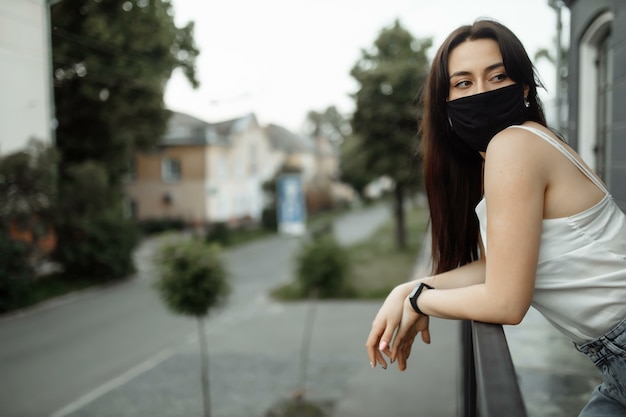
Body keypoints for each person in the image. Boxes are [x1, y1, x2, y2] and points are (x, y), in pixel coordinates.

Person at [365, 18, 626, 416]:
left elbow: (505, 302)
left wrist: (421, 302)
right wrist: (410, 287)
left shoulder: (514, 146)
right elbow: (496, 269)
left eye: (497, 76)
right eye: (464, 83)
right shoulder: (526, 145)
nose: (481, 92)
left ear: (522, 87)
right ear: (446, 104)